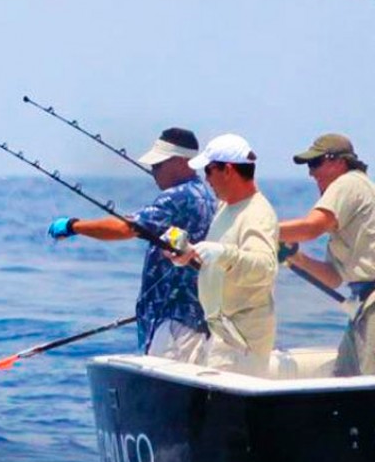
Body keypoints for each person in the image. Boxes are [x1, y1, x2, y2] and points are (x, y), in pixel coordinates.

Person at [48, 128, 216, 362]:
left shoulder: (176, 196)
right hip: (195, 317)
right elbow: (141, 223)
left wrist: (74, 226)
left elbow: (126, 229)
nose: (153, 169)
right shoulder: (205, 194)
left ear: (180, 162)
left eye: (158, 164)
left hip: (174, 324)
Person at [170, 134, 278, 376]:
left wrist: (222, 253)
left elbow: (266, 268)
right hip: (222, 333)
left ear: (227, 170)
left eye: (209, 171)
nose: (206, 179)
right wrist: (189, 255)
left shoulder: (257, 213)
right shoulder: (226, 208)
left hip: (242, 341)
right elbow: (222, 263)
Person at [278, 134, 375, 376]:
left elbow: (311, 227)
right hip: (363, 306)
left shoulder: (348, 183)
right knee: (343, 381)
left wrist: (258, 229)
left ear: (339, 162)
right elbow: (334, 278)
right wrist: (297, 257)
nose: (311, 173)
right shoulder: (352, 196)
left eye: (316, 163)